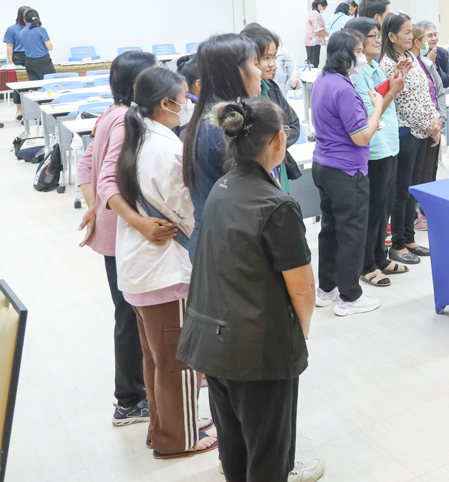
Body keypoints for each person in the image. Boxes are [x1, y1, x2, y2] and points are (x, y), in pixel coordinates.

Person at [176, 98, 323, 482]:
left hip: (214, 342)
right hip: (258, 352)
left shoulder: (221, 188)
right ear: (277, 140)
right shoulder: (276, 205)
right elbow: (303, 289)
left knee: (235, 449)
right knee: (269, 456)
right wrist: (300, 332)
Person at [114, 66, 216, 458]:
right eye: (184, 98)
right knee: (179, 362)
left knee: (157, 361)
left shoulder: (140, 137)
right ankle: (178, 439)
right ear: (166, 104)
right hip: (165, 273)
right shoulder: (165, 149)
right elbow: (187, 210)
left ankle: (163, 428)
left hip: (143, 271)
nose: (188, 104)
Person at [76, 49, 164, 428]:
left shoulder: (111, 114)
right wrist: (134, 220)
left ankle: (136, 393)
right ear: (138, 84)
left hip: (113, 229)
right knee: (130, 315)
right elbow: (108, 176)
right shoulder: (128, 120)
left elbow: (86, 166)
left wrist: (95, 205)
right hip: (124, 233)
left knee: (128, 312)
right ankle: (128, 401)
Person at [309, 30, 385, 316]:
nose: (362, 56)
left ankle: (326, 289)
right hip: (346, 170)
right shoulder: (343, 89)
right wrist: (377, 109)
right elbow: (361, 137)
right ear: (344, 55)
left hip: (324, 165)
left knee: (330, 229)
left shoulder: (323, 80)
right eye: (358, 51)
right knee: (352, 233)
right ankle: (350, 297)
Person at [182, 33, 263, 260]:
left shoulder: (211, 116)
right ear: (237, 71)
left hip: (217, 240)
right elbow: (250, 195)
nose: (260, 72)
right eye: (255, 64)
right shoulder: (224, 126)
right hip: (228, 248)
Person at [345, 17, 408, 286]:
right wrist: (393, 90)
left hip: (389, 144)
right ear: (358, 41)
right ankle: (366, 265)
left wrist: (395, 81)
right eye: (373, 36)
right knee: (372, 211)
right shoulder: (357, 74)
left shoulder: (375, 68)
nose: (378, 41)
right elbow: (372, 110)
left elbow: (383, 98)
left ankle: (380, 257)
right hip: (375, 148)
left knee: (384, 207)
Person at [379, 12, 439, 265]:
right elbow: (397, 102)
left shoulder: (411, 57)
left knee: (414, 188)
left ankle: (410, 239)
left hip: (423, 130)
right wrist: (426, 123)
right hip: (405, 131)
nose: (410, 35)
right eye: (406, 32)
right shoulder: (386, 64)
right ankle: (398, 244)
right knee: (401, 191)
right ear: (391, 36)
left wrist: (434, 120)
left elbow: (425, 93)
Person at [241, 23, 302, 194]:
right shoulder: (239, 99)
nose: (273, 65)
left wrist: (272, 145)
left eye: (274, 57)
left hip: (280, 175)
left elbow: (294, 125)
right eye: (266, 58)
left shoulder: (271, 88)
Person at [409, 22, 447, 230]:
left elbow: (439, 92)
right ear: (417, 41)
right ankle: (415, 214)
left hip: (435, 125)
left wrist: (440, 121)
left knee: (431, 170)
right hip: (419, 128)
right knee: (419, 172)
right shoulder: (409, 64)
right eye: (427, 37)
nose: (432, 40)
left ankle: (427, 211)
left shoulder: (427, 63)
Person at [3, 5, 30, 120]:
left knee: (33, 83)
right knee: (19, 84)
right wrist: (11, 62)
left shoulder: (32, 28)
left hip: (31, 56)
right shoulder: (12, 29)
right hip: (18, 56)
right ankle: (19, 109)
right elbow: (10, 46)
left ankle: (32, 110)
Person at [17, 8, 56, 82]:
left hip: (29, 62)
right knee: (51, 83)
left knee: (34, 85)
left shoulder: (22, 32)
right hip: (42, 61)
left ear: (25, 20)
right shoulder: (41, 30)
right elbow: (50, 47)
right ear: (38, 18)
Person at [304, 0, 328, 68]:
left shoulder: (311, 12)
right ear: (320, 5)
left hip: (310, 41)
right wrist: (330, 35)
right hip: (313, 42)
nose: (323, 10)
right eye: (324, 8)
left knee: (311, 62)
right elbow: (319, 30)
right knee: (314, 63)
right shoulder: (315, 15)